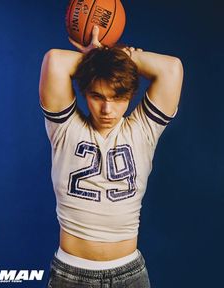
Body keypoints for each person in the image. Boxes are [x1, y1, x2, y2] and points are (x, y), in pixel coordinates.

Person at [39, 26, 183, 288]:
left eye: (118, 98)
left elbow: (172, 68)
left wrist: (122, 58)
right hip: (72, 274)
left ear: (130, 96)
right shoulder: (65, 129)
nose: (107, 109)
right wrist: (97, 59)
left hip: (130, 273)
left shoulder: (142, 131)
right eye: (97, 96)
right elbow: (55, 61)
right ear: (85, 94)